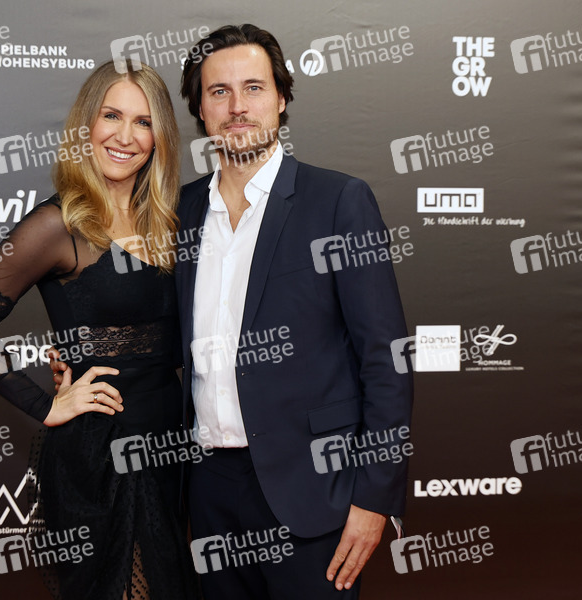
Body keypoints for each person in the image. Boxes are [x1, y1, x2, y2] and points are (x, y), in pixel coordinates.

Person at [0, 60, 200, 600]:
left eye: (143, 122)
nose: (125, 136)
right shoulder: (57, 223)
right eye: (111, 116)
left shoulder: (171, 219)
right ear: (87, 124)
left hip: (170, 443)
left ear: (160, 137)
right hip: (103, 450)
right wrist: (46, 405)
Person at [172, 25, 413, 599]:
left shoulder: (338, 201)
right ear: (201, 109)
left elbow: (386, 359)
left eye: (253, 88)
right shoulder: (180, 211)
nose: (237, 106)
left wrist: (374, 498)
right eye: (219, 91)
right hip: (207, 492)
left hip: (314, 496)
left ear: (281, 98)